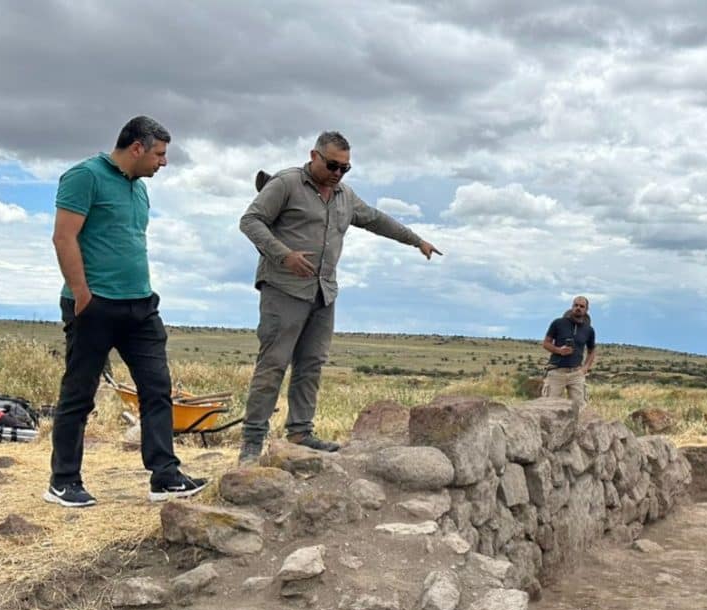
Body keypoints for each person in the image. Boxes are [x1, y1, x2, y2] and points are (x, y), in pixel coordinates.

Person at [238, 131, 440, 464]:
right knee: (272, 365)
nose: (338, 173)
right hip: (284, 288)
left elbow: (376, 219)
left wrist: (416, 240)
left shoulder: (345, 195)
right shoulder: (286, 183)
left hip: (323, 292)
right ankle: (251, 443)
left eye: (345, 168)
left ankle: (301, 433)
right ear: (314, 156)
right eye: (333, 165)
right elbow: (251, 221)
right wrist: (283, 254)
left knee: (311, 364)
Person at [45, 116, 207, 508]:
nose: (163, 162)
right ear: (137, 148)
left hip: (140, 305)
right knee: (79, 394)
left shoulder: (140, 190)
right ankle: (63, 480)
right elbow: (63, 236)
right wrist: (82, 293)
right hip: (94, 304)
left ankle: (164, 476)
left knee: (157, 389)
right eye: (159, 154)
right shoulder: (85, 176)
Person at [541, 296, 596, 411]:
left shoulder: (589, 330)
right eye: (575, 305)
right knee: (549, 408)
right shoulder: (558, 323)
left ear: (586, 309)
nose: (578, 308)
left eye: (581, 306)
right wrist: (559, 350)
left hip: (576, 373)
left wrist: (585, 368)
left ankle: (578, 429)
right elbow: (546, 343)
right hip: (556, 371)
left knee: (581, 409)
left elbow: (591, 351)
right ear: (572, 307)